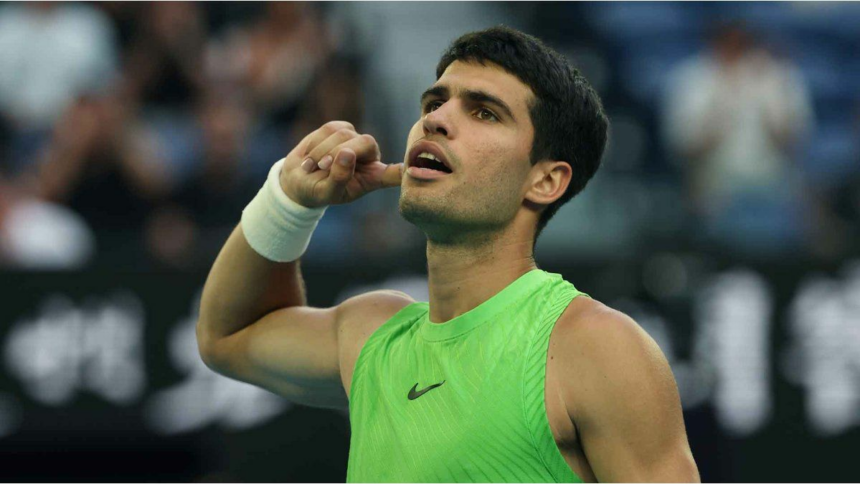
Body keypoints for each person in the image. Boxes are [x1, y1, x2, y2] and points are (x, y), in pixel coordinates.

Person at [197, 26, 700, 482]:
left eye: (483, 112)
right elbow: (227, 336)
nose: (436, 120)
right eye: (434, 103)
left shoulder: (596, 347)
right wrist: (288, 202)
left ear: (545, 180)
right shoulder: (373, 334)